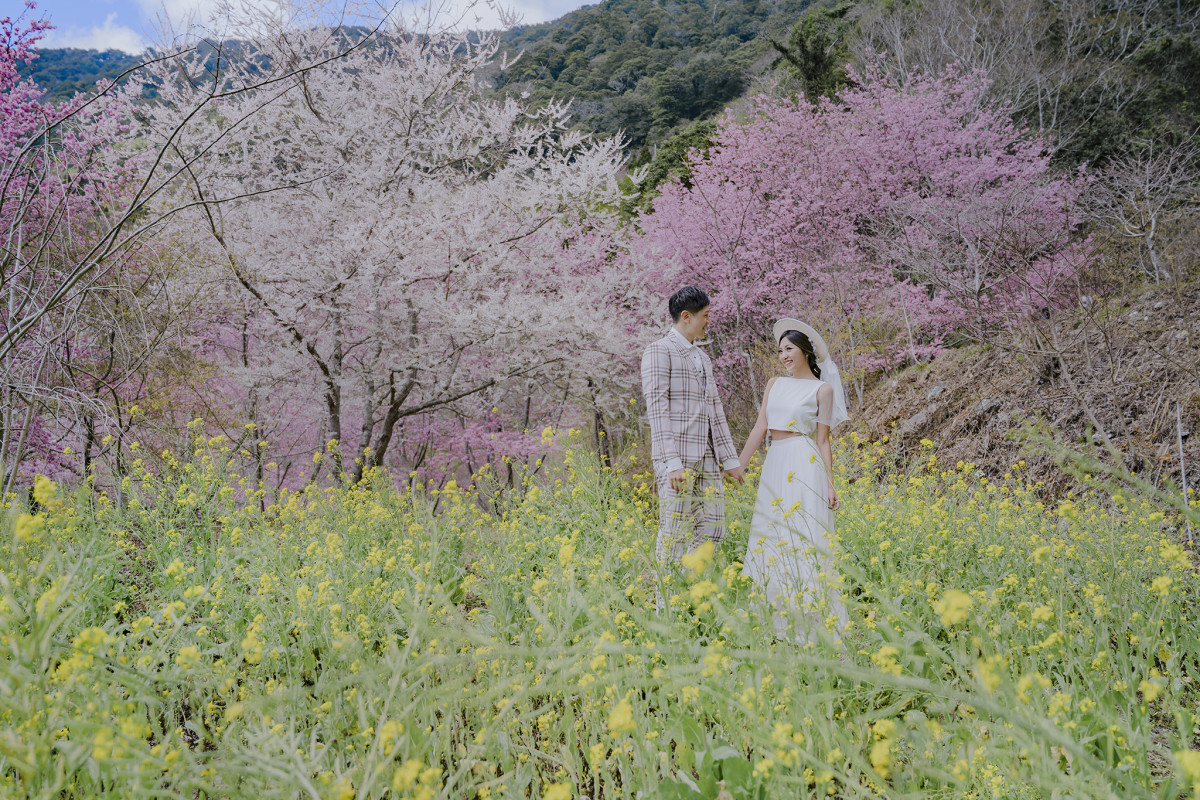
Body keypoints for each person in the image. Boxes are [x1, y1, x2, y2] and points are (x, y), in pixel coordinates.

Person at [738, 318, 850, 640]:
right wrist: (740, 464)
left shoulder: (822, 389)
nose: (784, 355)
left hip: (804, 462)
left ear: (804, 350)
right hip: (776, 459)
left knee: (804, 534)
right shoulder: (774, 383)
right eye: (780, 351)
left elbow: (823, 440)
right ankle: (774, 620)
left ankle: (813, 625)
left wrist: (830, 484)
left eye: (789, 349)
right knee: (771, 532)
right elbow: (761, 426)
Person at [641, 286, 745, 564]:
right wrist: (671, 461)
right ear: (686, 316)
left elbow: (715, 410)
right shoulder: (659, 351)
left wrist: (730, 459)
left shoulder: (703, 358)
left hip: (708, 457)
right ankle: (666, 603)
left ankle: (691, 592)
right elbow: (657, 409)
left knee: (713, 530)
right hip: (677, 459)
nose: (709, 321)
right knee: (673, 531)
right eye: (706, 315)